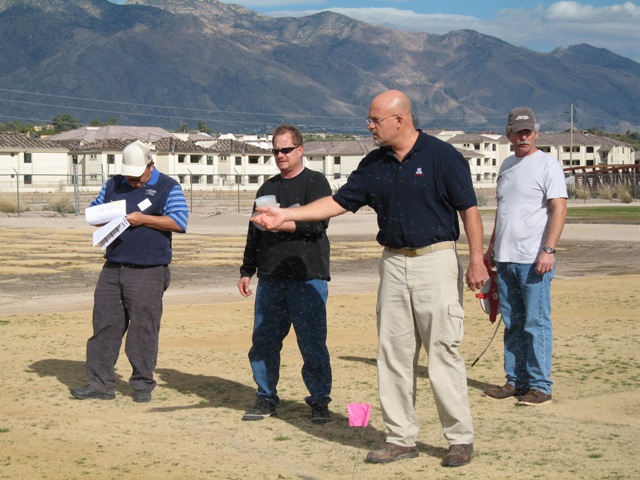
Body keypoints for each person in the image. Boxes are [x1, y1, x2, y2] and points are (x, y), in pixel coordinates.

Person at [251, 91, 488, 467]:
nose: (370, 125)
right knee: (393, 354)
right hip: (393, 263)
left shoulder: (442, 156)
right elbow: (340, 201)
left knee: (442, 351)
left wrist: (477, 260)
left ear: (400, 119)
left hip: (437, 259)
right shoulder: (374, 162)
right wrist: (284, 217)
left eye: (375, 120)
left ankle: (459, 439)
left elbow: (469, 209)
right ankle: (400, 438)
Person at [71, 140, 189, 403]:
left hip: (149, 269)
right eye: (128, 176)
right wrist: (102, 215)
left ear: (151, 166)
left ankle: (142, 384)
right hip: (113, 266)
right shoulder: (113, 183)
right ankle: (100, 383)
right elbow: (94, 210)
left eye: (137, 177)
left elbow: (180, 222)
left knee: (144, 328)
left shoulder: (169, 187)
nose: (132, 181)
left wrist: (143, 218)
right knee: (104, 325)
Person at [238, 124, 333, 424]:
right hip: (271, 279)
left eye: (286, 150)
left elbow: (318, 225)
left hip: (308, 277)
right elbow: (253, 234)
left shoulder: (316, 183)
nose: (280, 155)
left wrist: (280, 223)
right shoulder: (266, 188)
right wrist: (246, 270)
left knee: (312, 343)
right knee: (264, 341)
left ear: (300, 150)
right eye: (275, 150)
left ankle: (319, 401)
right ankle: (265, 396)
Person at [483, 107, 567, 406]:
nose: (523, 137)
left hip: (534, 260)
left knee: (536, 323)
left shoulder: (547, 165)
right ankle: (515, 381)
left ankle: (540, 385)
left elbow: (558, 207)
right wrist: (491, 248)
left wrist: (548, 249)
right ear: (508, 134)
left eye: (528, 131)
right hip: (505, 259)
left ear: (536, 133)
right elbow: (503, 211)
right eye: (518, 132)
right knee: (512, 323)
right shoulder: (506, 165)